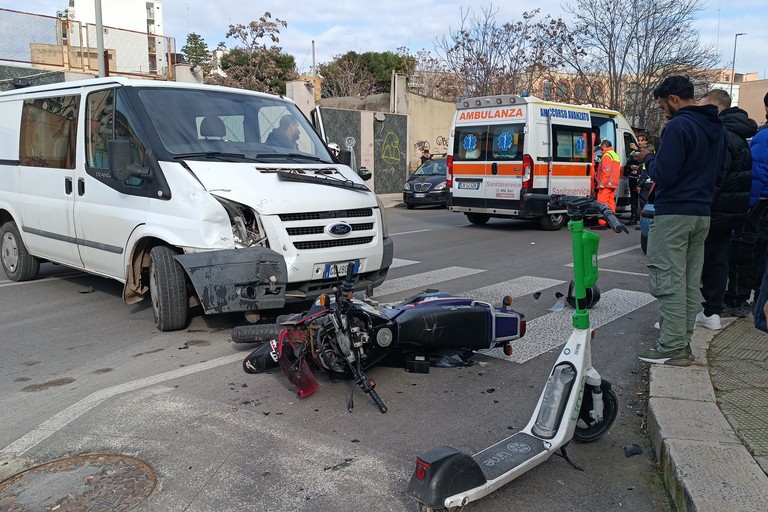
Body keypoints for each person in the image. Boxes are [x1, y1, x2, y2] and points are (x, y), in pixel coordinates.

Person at [633, 75, 727, 366]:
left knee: (668, 281)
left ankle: (672, 346)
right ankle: (681, 343)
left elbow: (664, 174)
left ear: (674, 99)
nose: (663, 112)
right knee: (687, 282)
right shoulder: (716, 126)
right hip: (702, 213)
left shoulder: (678, 126)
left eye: (663, 106)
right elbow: (721, 174)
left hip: (674, 212)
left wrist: (648, 158)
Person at [694, 89, 757, 330]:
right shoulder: (741, 134)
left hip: (712, 208)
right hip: (733, 210)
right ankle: (712, 312)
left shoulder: (720, 134)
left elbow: (715, 176)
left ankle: (684, 316)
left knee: (695, 261)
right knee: (718, 260)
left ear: (716, 108)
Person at [724, 91, 768, 318]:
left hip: (759, 204)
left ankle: (737, 300)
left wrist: (748, 204)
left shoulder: (764, 137)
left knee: (745, 251)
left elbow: (758, 174)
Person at [595, 139, 621, 228]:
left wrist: (601, 183)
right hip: (613, 183)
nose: (601, 148)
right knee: (610, 203)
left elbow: (607, 171)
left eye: (601, 146)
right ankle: (612, 221)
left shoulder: (607, 155)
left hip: (606, 183)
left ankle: (602, 223)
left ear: (604, 146)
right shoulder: (614, 155)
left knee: (602, 202)